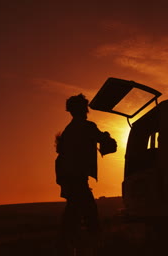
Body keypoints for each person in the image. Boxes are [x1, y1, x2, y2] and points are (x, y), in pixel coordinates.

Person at [55, 93, 117, 255]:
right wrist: (108, 138)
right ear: (84, 109)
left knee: (73, 213)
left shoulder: (69, 131)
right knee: (89, 214)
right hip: (76, 179)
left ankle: (68, 246)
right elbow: (105, 143)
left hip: (69, 179)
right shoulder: (86, 127)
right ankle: (96, 247)